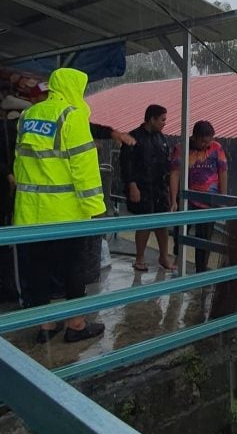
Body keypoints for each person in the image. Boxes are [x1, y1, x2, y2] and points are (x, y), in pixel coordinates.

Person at [12, 67, 106, 344]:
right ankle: (75, 324)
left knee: (38, 269)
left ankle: (45, 325)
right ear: (73, 87)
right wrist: (96, 206)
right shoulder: (72, 116)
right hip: (65, 212)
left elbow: (21, 163)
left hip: (30, 211)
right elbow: (83, 166)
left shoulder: (28, 114)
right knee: (72, 268)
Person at [120, 104, 175, 271]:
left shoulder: (162, 139)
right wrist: (132, 185)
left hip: (159, 187)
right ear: (152, 119)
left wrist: (169, 190)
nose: (164, 123)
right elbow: (125, 164)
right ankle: (140, 258)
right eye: (162, 120)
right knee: (145, 222)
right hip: (141, 186)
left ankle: (164, 256)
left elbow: (167, 164)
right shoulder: (133, 137)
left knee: (162, 223)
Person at [170, 120, 228, 272]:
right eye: (203, 141)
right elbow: (175, 174)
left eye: (209, 141)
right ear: (194, 137)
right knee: (181, 230)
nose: (206, 145)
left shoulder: (217, 148)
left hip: (209, 201)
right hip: (187, 198)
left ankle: (200, 269)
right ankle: (178, 259)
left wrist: (223, 198)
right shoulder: (181, 149)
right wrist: (173, 200)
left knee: (205, 237)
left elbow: (222, 172)